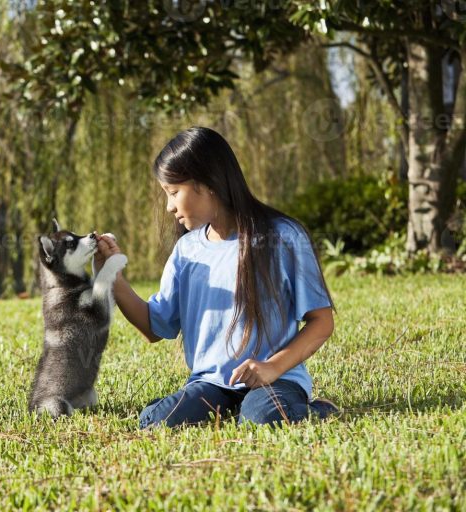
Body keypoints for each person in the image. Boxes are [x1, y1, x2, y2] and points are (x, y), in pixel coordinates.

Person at [94, 127, 339, 429]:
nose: (169, 206)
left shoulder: (283, 237)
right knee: (155, 421)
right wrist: (112, 275)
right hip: (211, 385)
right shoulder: (188, 250)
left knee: (264, 420)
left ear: (208, 183)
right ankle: (233, 410)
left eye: (173, 192)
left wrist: (271, 368)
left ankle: (320, 410)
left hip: (275, 380)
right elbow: (155, 327)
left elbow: (321, 321)